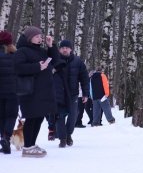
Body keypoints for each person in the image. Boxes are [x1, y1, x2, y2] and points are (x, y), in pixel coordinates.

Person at [13, 26, 61, 157]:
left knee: (39, 118)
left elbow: (56, 61)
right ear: (30, 38)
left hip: (43, 91)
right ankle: (27, 147)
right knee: (31, 118)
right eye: (37, 36)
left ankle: (32, 144)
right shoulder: (22, 51)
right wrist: (37, 66)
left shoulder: (41, 50)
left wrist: (51, 46)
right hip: (30, 91)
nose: (41, 38)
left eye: (41, 36)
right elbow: (18, 68)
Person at [52, 39, 89, 148]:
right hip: (58, 94)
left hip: (73, 94)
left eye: (67, 48)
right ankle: (63, 139)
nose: (64, 49)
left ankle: (68, 134)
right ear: (59, 49)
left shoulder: (78, 61)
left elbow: (84, 78)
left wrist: (86, 94)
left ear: (71, 49)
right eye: (62, 48)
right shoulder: (55, 61)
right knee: (60, 116)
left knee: (73, 115)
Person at [0, 30, 18, 154]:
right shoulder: (16, 55)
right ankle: (6, 137)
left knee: (1, 116)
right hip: (13, 91)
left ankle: (3, 138)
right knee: (11, 115)